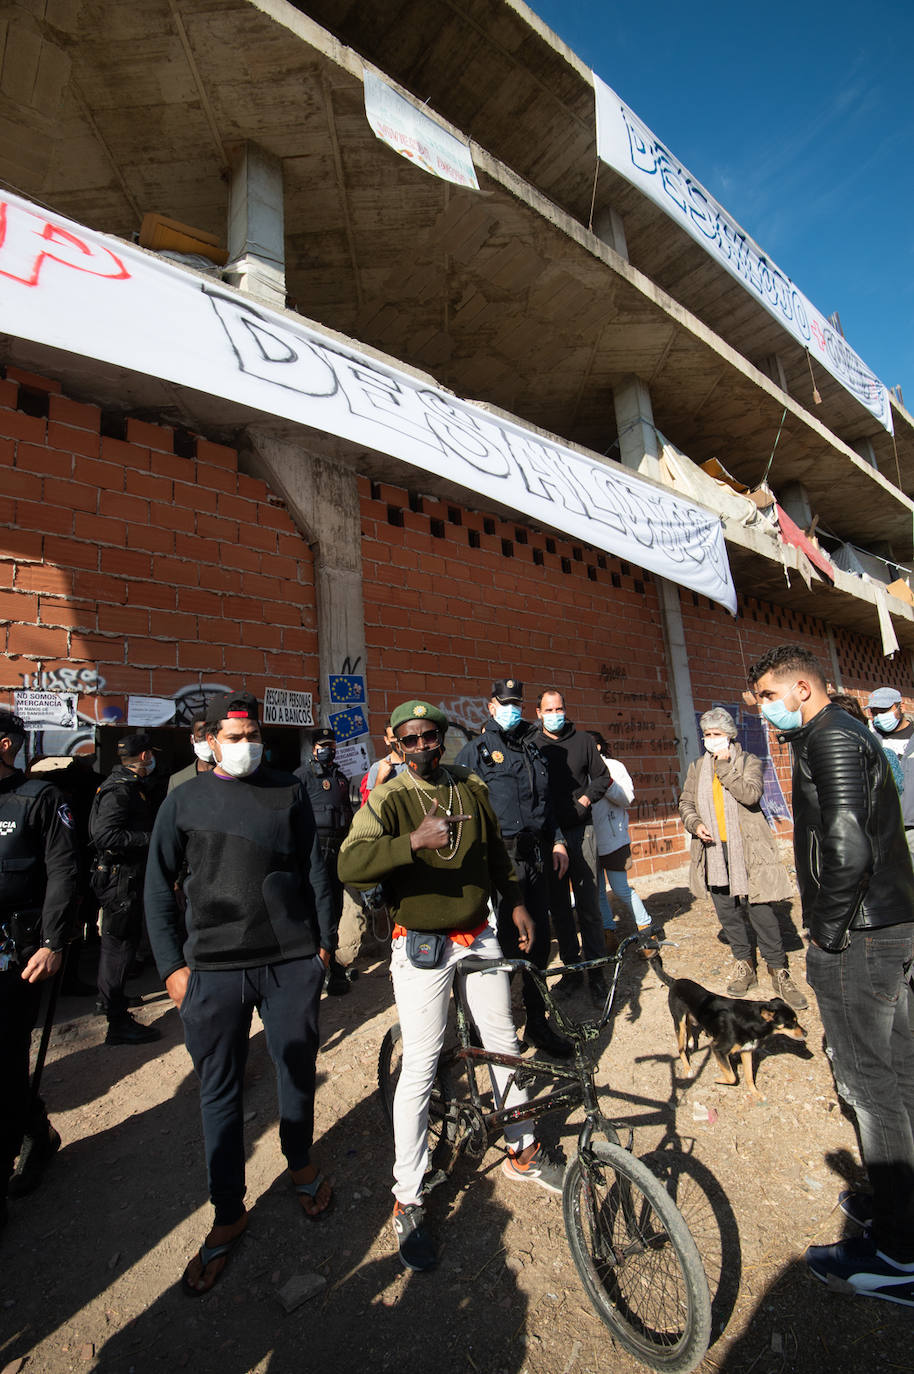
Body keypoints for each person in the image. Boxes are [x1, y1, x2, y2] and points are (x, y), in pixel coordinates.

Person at [338, 699, 565, 1274]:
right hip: (420, 943)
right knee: (421, 1062)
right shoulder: (389, 798)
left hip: (478, 934)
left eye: (430, 737)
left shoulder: (469, 785)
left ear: (443, 738)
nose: (422, 747)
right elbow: (350, 864)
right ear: (396, 744)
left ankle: (522, 1147)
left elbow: (495, 855)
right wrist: (410, 843)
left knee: (502, 1042)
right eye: (410, 739)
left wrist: (514, 902)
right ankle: (409, 1194)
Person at [144, 690, 336, 1296]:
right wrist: (172, 968)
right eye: (234, 737)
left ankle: (299, 1162)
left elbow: (315, 869)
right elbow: (157, 886)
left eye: (253, 736)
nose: (246, 745)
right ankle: (229, 1210)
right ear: (211, 743)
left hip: (288, 962)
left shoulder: (289, 789)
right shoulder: (183, 800)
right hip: (213, 970)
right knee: (219, 1088)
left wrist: (323, 947)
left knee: (296, 1069)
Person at [748, 644, 914, 1301]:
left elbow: (848, 845)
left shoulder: (831, 739)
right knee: (900, 1071)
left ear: (801, 688)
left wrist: (827, 932)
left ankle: (898, 1253)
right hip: (887, 927)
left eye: (768, 696)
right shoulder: (840, 732)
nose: (764, 710)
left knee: (870, 1084)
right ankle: (902, 1204)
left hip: (863, 936)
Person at [455, 677, 571, 1057]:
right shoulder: (476, 752)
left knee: (538, 941)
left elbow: (546, 804)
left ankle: (538, 1023)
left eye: (517, 703)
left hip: (535, 858)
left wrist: (557, 840)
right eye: (505, 703)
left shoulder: (532, 749)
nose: (512, 709)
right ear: (491, 706)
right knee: (501, 947)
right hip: (498, 862)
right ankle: (491, 1029)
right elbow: (461, 810)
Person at [0, 711, 78, 1222]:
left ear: (6, 744)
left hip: (16, 954)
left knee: (6, 1059)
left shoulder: (40, 798)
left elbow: (63, 871)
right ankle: (37, 1129)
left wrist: (52, 942)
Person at [678, 708, 807, 1008]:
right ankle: (744, 964)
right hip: (713, 850)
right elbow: (686, 803)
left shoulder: (749, 761)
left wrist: (724, 767)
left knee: (760, 910)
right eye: (707, 734)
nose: (711, 739)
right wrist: (695, 824)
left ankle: (778, 969)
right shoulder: (697, 767)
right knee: (727, 911)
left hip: (747, 849)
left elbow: (750, 795)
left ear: (730, 735)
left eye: (717, 734)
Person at [532, 688, 611, 1002]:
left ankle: (596, 972)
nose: (555, 715)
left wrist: (585, 800)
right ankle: (572, 969)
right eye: (548, 710)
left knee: (589, 906)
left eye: (559, 709)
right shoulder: (533, 744)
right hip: (550, 838)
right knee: (560, 909)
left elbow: (602, 778)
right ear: (538, 713)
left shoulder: (583, 741)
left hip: (581, 832)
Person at [88, 733, 161, 1045]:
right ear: (144, 757)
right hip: (121, 880)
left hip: (124, 877)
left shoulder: (128, 785)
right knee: (120, 945)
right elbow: (104, 835)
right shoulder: (120, 789)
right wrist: (150, 839)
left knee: (118, 943)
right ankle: (116, 1021)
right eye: (151, 754)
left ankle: (110, 1000)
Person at [295, 726, 353, 995]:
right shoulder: (302, 777)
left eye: (331, 745)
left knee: (336, 909)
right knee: (316, 909)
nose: (328, 750)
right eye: (323, 746)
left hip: (338, 853)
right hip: (314, 853)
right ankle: (313, 964)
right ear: (313, 749)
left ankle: (332, 964)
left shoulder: (340, 778)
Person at [587, 731, 653, 952]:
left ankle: (646, 929)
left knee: (621, 888)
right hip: (590, 840)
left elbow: (626, 798)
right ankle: (608, 933)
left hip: (614, 839)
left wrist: (605, 781)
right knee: (598, 892)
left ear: (597, 747)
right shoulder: (579, 770)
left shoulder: (614, 767)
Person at [167, 714, 216, 793]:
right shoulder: (177, 781)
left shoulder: (232, 775)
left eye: (211, 736)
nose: (207, 741)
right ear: (192, 739)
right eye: (201, 736)